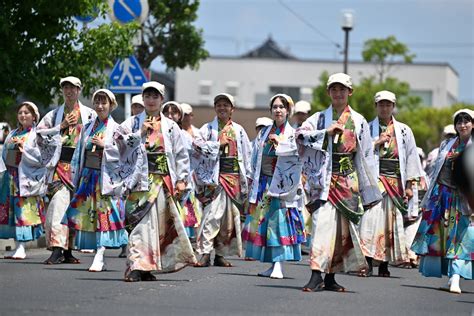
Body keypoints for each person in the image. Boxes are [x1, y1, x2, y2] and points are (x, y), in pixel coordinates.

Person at [296, 73, 382, 292]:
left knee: (340, 231)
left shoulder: (359, 121)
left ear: (350, 92)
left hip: (347, 181)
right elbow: (299, 135)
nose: (338, 93)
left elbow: (367, 156)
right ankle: (316, 274)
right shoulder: (318, 118)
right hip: (323, 179)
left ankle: (331, 276)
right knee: (321, 225)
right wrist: (325, 133)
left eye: (342, 89)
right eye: (334, 89)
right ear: (328, 92)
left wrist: (369, 188)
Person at [114, 81, 196, 282]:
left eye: (155, 97)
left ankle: (146, 267)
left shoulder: (170, 127)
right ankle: (135, 265)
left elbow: (181, 155)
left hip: (162, 180)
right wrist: (140, 133)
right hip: (138, 181)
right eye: (147, 96)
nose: (151, 100)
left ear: (161, 99)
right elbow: (118, 146)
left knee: (157, 226)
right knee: (139, 224)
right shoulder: (131, 123)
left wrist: (182, 179)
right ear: (143, 99)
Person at [358, 90, 425, 277]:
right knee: (370, 221)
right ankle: (368, 261)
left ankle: (384, 264)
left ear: (393, 107)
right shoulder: (366, 128)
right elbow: (358, 152)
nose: (384, 108)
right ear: (376, 106)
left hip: (395, 181)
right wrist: (376, 142)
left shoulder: (404, 130)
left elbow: (412, 157)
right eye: (381, 104)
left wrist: (411, 185)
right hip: (374, 180)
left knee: (389, 223)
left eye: (388, 104)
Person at [63, 89, 127, 271]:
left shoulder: (117, 128)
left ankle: (100, 253)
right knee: (90, 215)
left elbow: (124, 153)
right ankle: (98, 252)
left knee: (105, 214)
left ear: (111, 105)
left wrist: (105, 146)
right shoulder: (88, 127)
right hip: (88, 176)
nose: (100, 106)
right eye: (97, 102)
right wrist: (75, 177)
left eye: (104, 102)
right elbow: (78, 154)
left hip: (106, 177)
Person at [242, 94, 305, 279]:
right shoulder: (264, 132)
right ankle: (272, 263)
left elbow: (297, 156)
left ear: (288, 111)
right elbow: (255, 157)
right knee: (265, 224)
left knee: (278, 223)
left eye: (282, 107)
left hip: (282, 185)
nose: (278, 110)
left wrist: (282, 144)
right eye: (275, 107)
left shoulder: (293, 134)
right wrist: (253, 180)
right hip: (264, 184)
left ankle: (278, 264)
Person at [412, 108, 473, 294]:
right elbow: (436, 170)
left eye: (466, 121)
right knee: (441, 238)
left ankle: (456, 278)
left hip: (463, 199)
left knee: (460, 237)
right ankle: (451, 276)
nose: (462, 125)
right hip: (441, 196)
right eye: (459, 122)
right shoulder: (447, 143)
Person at [37, 76, 95, 264]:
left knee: (73, 209)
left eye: (73, 88)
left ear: (79, 90)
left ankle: (68, 250)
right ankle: (56, 249)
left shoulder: (89, 115)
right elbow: (39, 135)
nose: (69, 91)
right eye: (66, 88)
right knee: (56, 207)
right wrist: (60, 127)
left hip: (80, 168)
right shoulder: (54, 115)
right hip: (60, 167)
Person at [193, 93, 252, 268]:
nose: (222, 108)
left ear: (232, 109)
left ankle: (220, 254)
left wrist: (248, 178)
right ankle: (204, 252)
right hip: (214, 179)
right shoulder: (207, 129)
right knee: (211, 216)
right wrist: (217, 144)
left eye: (226, 105)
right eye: (218, 104)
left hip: (233, 180)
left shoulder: (239, 130)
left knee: (228, 220)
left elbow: (247, 155)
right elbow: (195, 146)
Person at [0, 102, 58, 259]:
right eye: (20, 112)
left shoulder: (37, 135)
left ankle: (22, 246)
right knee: (12, 211)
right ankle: (16, 245)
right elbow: (4, 155)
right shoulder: (12, 134)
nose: (23, 115)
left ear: (34, 116)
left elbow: (43, 158)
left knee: (22, 212)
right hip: (10, 177)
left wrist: (25, 148)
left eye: (27, 112)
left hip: (25, 178)